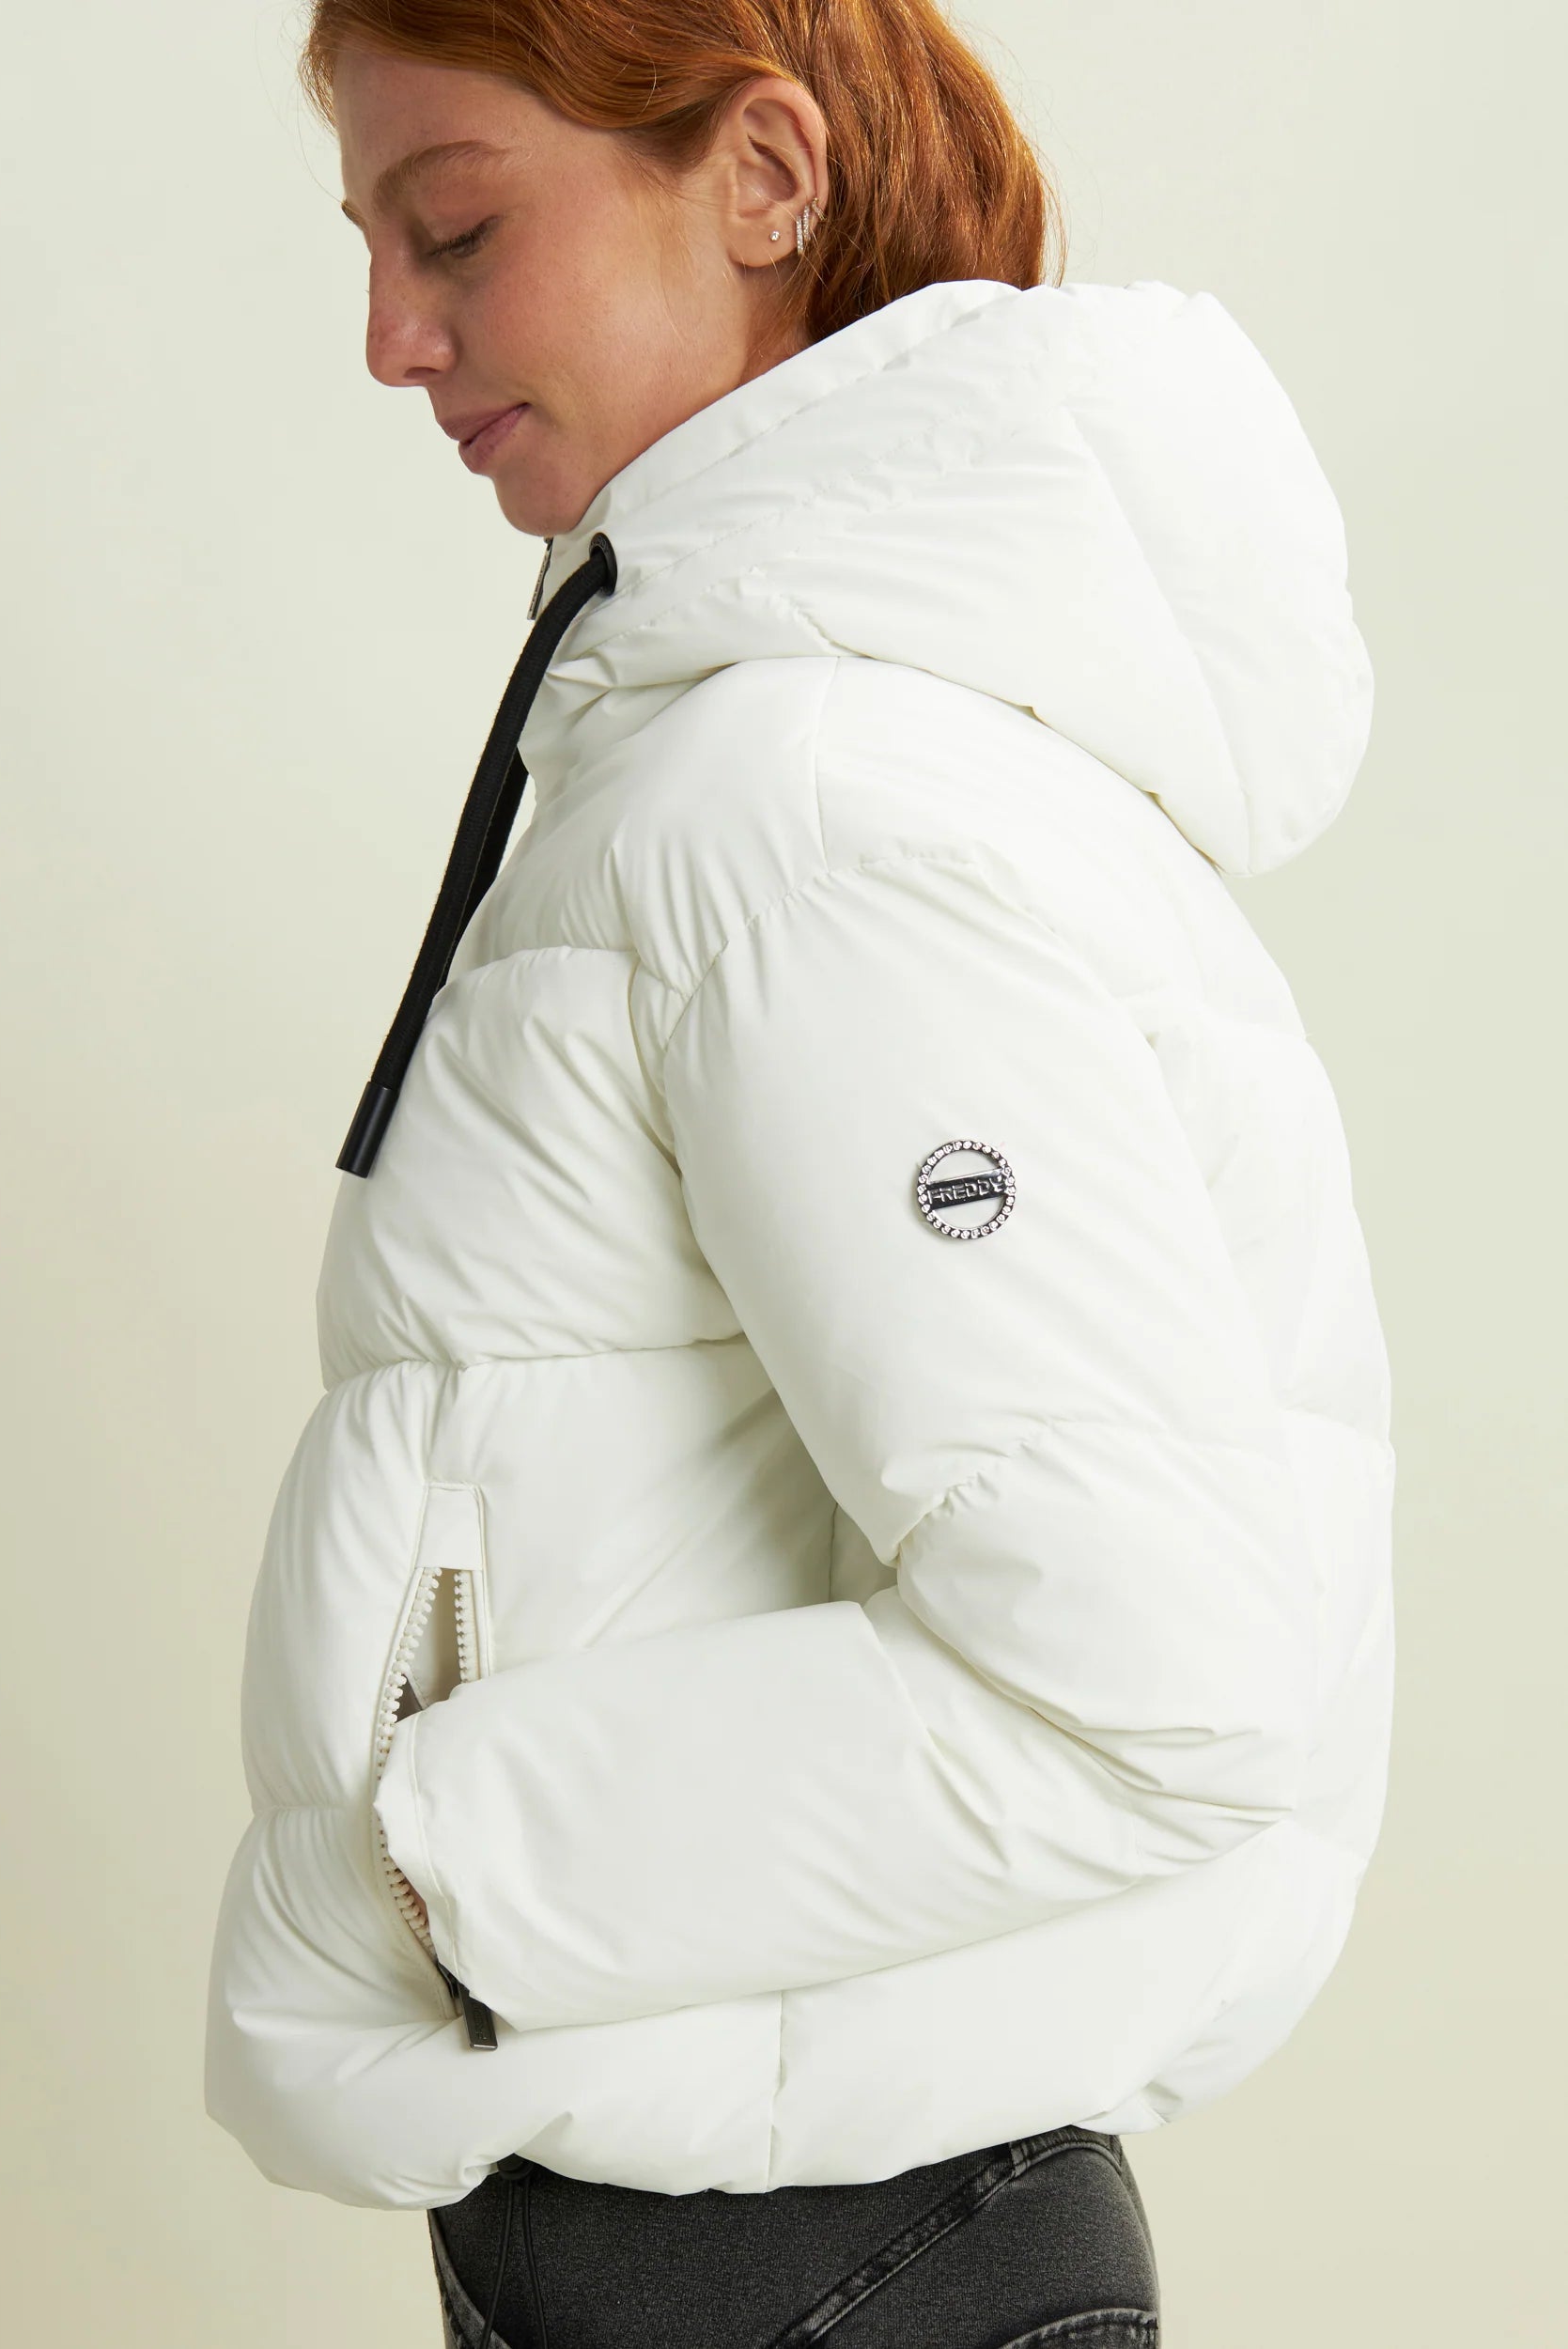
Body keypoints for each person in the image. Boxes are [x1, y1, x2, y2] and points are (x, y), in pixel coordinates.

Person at [203, 3, 1394, 2343]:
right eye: (369, 247)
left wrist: (427, 1865)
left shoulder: (814, 812)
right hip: (779, 2230)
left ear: (760, 175)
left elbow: (1145, 1677)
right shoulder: (764, 761)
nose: (388, 337)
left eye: (455, 229)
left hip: (814, 2260)